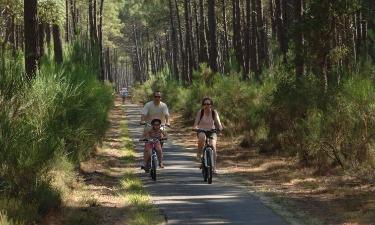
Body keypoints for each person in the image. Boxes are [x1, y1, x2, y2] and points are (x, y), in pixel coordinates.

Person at [193, 97, 223, 172]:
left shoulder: (214, 112)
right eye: (205, 104)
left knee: (213, 145)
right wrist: (195, 128)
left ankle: (214, 167)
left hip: (212, 131)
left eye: (208, 104)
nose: (206, 105)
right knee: (202, 137)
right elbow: (195, 124)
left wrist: (220, 128)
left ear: (211, 105)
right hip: (201, 130)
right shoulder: (201, 112)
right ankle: (199, 153)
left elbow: (218, 123)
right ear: (203, 105)